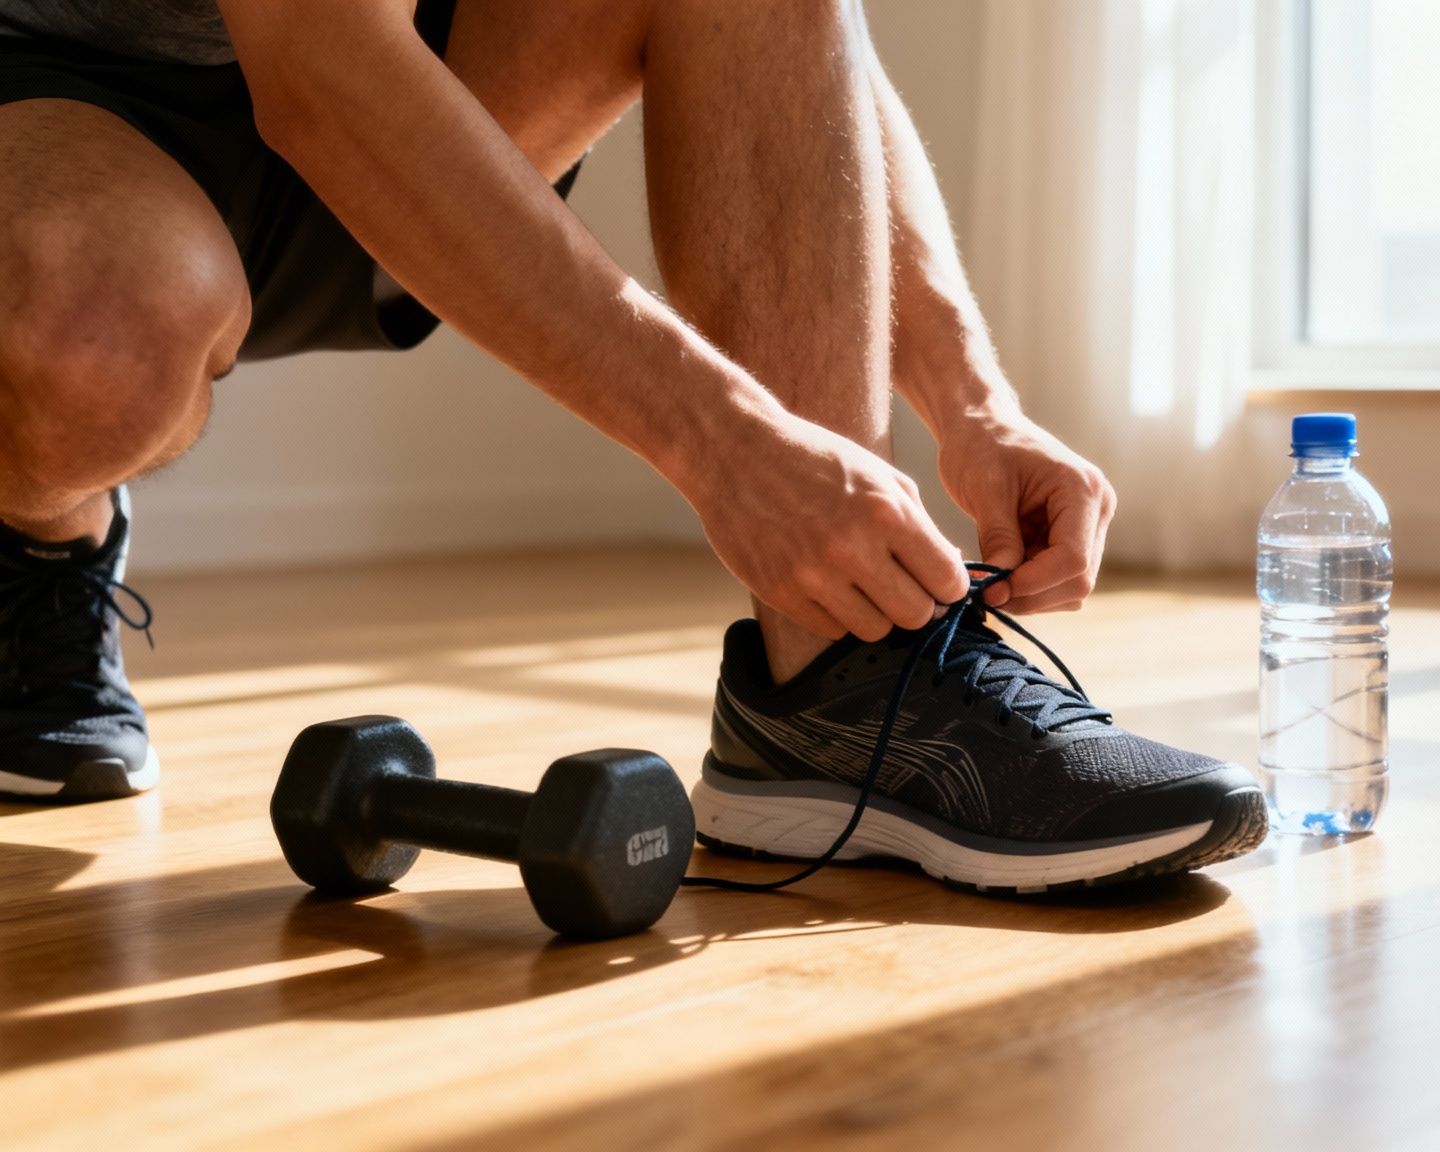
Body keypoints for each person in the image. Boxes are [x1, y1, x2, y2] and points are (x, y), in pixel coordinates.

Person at [0, 0, 1265, 890]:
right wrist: (725, 445)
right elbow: (318, 61)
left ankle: (844, 679)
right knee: (103, 334)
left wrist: (973, 399)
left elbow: (802, 42)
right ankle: (40, 538)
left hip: (392, 78)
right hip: (60, 92)